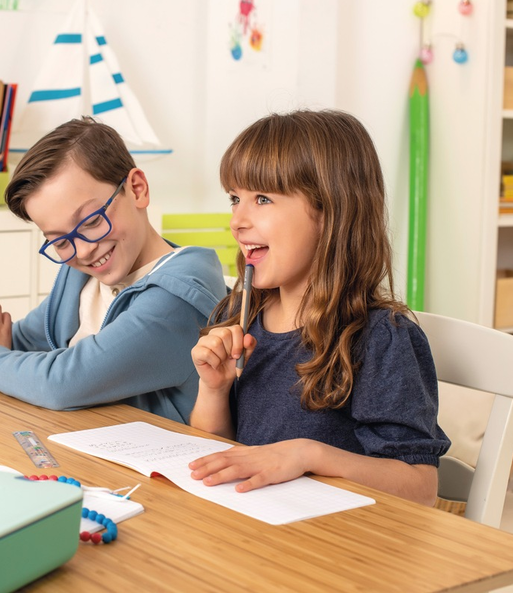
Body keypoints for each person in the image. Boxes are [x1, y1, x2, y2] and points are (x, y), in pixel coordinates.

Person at [0, 117, 227, 424]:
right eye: (60, 241)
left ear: (137, 189)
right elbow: (19, 342)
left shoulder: (178, 298)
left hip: (160, 476)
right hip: (81, 447)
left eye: (90, 220)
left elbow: (64, 381)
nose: (84, 249)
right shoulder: (82, 276)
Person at [187, 110, 450, 505]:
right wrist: (214, 389)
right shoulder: (242, 315)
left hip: (337, 547)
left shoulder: (381, 338)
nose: (237, 220)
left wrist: (309, 454)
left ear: (330, 211)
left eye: (262, 199)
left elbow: (420, 488)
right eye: (234, 199)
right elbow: (214, 459)